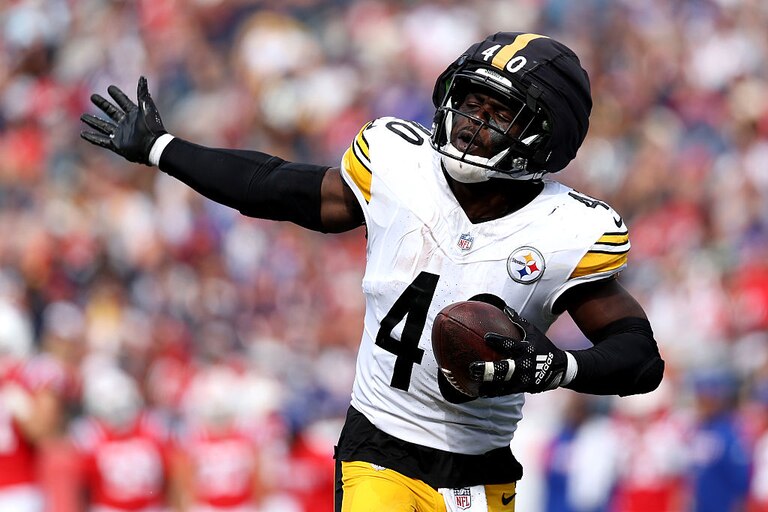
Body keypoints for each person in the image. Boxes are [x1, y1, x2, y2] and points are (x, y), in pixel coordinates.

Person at [80, 32, 665, 512]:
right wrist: (163, 147)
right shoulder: (399, 164)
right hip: (379, 445)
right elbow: (274, 188)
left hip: (480, 466)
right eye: (471, 102)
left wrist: (553, 367)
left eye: (499, 113)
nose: (470, 122)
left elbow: (639, 358)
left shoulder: (565, 231)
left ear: (546, 135)